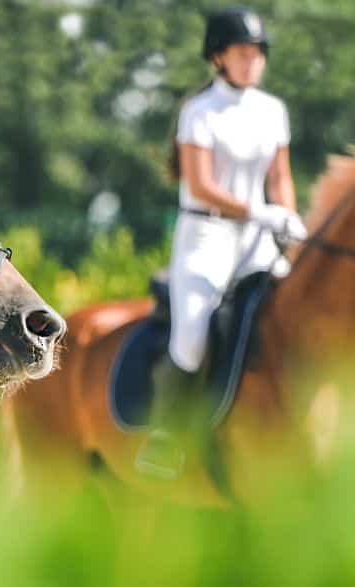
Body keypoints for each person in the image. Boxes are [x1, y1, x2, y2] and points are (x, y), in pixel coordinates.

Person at [136, 6, 306, 479]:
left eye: (258, 54)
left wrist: (287, 217)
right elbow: (202, 184)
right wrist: (259, 210)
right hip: (205, 236)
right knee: (191, 339)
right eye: (242, 53)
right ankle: (165, 436)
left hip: (259, 239)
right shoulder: (199, 112)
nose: (253, 62)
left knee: (297, 312)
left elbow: (281, 176)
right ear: (218, 58)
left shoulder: (273, 111)